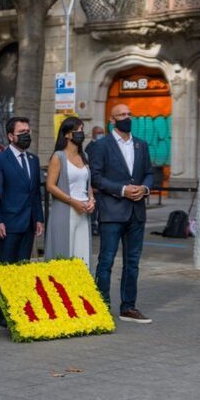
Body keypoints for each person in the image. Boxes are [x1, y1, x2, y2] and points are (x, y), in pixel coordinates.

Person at [91, 103, 154, 324]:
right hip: (112, 212)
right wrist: (123, 190)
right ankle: (102, 305)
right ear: (112, 119)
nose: (127, 118)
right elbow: (96, 177)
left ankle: (128, 307)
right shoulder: (101, 146)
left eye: (130, 114)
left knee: (133, 262)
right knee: (106, 261)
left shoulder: (141, 145)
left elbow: (148, 173)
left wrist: (144, 189)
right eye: (123, 115)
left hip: (137, 212)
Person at [0, 116, 44, 326]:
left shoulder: (33, 159)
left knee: (23, 268)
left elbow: (35, 193)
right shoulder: (1, 159)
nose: (26, 135)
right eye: (21, 132)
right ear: (10, 136)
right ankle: (2, 313)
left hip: (28, 223)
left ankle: (20, 307)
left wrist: (39, 218)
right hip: (8, 223)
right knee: (5, 268)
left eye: (28, 131)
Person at [45, 117, 95, 269]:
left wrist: (92, 199)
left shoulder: (84, 156)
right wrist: (73, 201)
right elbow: (50, 186)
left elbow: (87, 183)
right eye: (77, 130)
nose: (81, 133)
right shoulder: (58, 156)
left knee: (83, 256)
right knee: (63, 258)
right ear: (66, 134)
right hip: (65, 212)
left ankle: (80, 291)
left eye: (82, 130)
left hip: (84, 212)